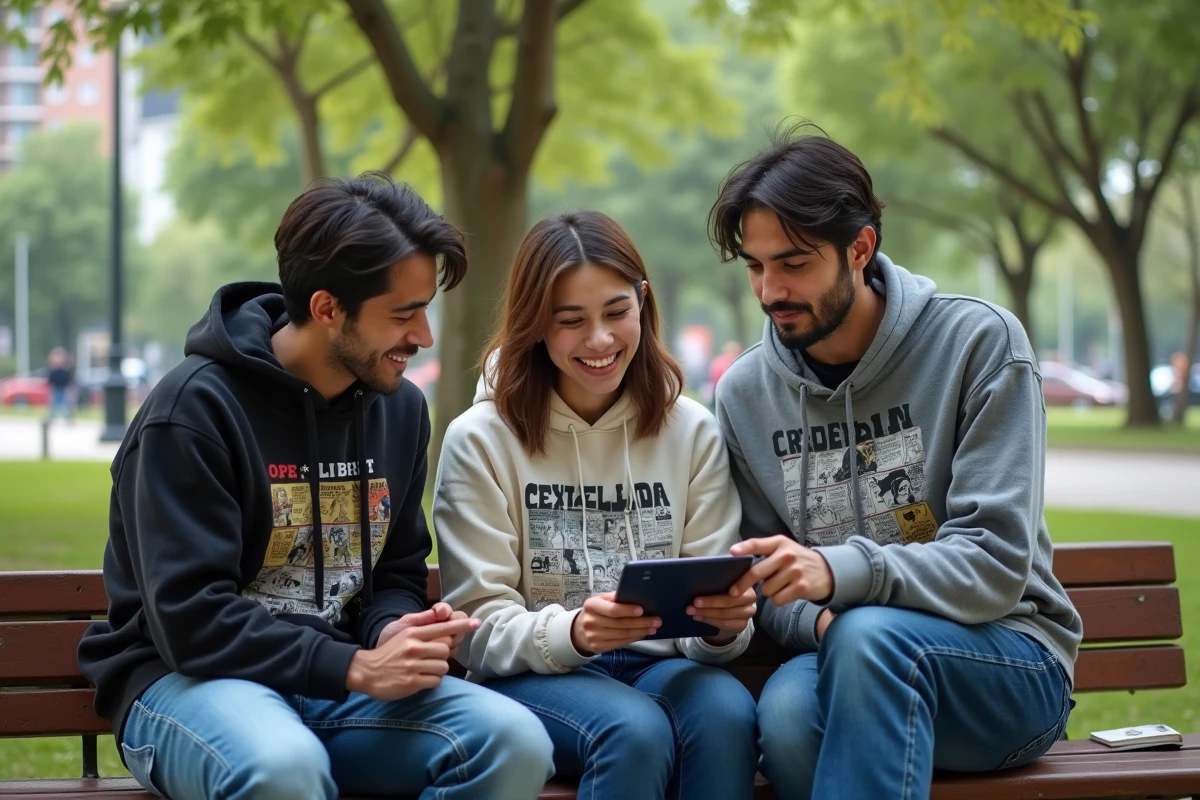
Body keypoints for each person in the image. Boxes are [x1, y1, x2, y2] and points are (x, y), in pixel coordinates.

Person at [77, 173, 554, 800]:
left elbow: (398, 574)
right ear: (328, 309)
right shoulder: (193, 413)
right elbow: (190, 619)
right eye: (403, 314)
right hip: (184, 682)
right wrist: (353, 665)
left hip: (338, 683)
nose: (424, 337)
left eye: (425, 311)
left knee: (515, 743)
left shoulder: (401, 411)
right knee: (282, 770)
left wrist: (390, 632)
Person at [708, 125, 1084, 798]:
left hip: (1006, 658)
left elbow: (997, 562)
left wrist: (838, 575)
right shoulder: (744, 393)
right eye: (755, 266)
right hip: (837, 650)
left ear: (860, 248)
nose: (769, 291)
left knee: (872, 639)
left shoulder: (978, 344)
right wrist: (821, 617)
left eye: (793, 263)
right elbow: (759, 578)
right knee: (790, 719)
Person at [434, 210, 759, 800]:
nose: (601, 340)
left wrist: (721, 627)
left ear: (643, 301)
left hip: (660, 663)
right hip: (533, 675)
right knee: (632, 730)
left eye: (616, 312)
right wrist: (576, 633)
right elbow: (476, 626)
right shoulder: (480, 438)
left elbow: (714, 608)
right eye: (571, 321)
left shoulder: (692, 430)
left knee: (727, 714)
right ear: (534, 325)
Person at [45, 347, 74, 421]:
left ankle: (68, 417)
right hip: (55, 388)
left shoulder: (65, 369)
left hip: (64, 388)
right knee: (54, 403)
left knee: (66, 404)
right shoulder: (52, 369)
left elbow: (69, 379)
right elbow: (50, 379)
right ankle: (52, 417)